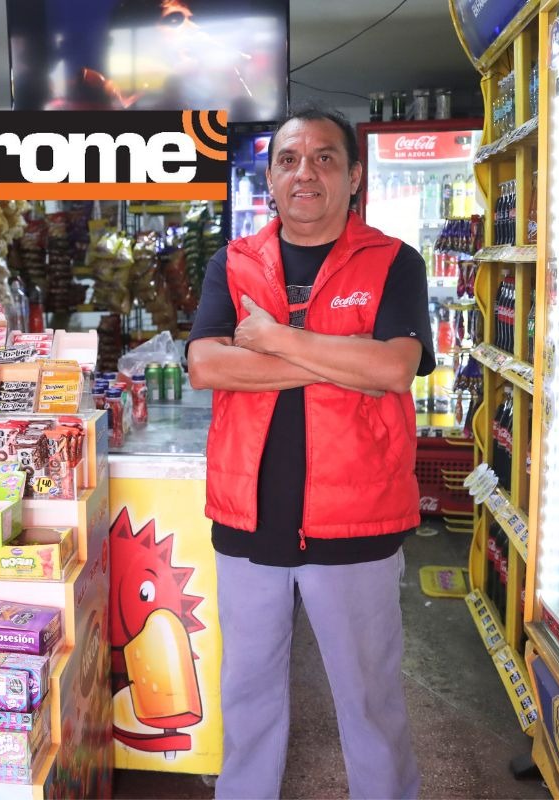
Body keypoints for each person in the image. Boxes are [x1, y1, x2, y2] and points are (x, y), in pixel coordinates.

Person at [187, 106, 434, 799]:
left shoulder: (393, 262)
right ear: (270, 178)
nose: (306, 172)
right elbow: (208, 365)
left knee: (370, 704)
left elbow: (394, 368)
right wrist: (339, 355)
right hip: (248, 517)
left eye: (325, 158)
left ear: (354, 178)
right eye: (290, 159)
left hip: (356, 522)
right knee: (249, 698)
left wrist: (272, 338)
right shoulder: (232, 263)